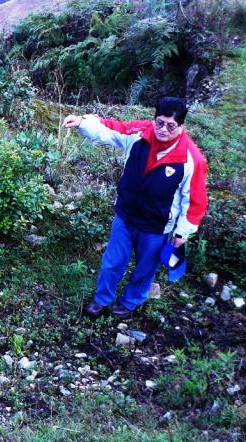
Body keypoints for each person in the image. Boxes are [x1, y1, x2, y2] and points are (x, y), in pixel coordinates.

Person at [62, 97, 208, 319]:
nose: (163, 130)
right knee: (113, 262)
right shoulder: (140, 132)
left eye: (171, 126)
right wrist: (82, 122)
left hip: (156, 226)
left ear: (181, 127)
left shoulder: (191, 159)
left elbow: (195, 201)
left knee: (145, 269)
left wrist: (182, 234)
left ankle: (130, 302)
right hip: (125, 215)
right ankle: (102, 300)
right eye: (159, 122)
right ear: (154, 119)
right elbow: (110, 129)